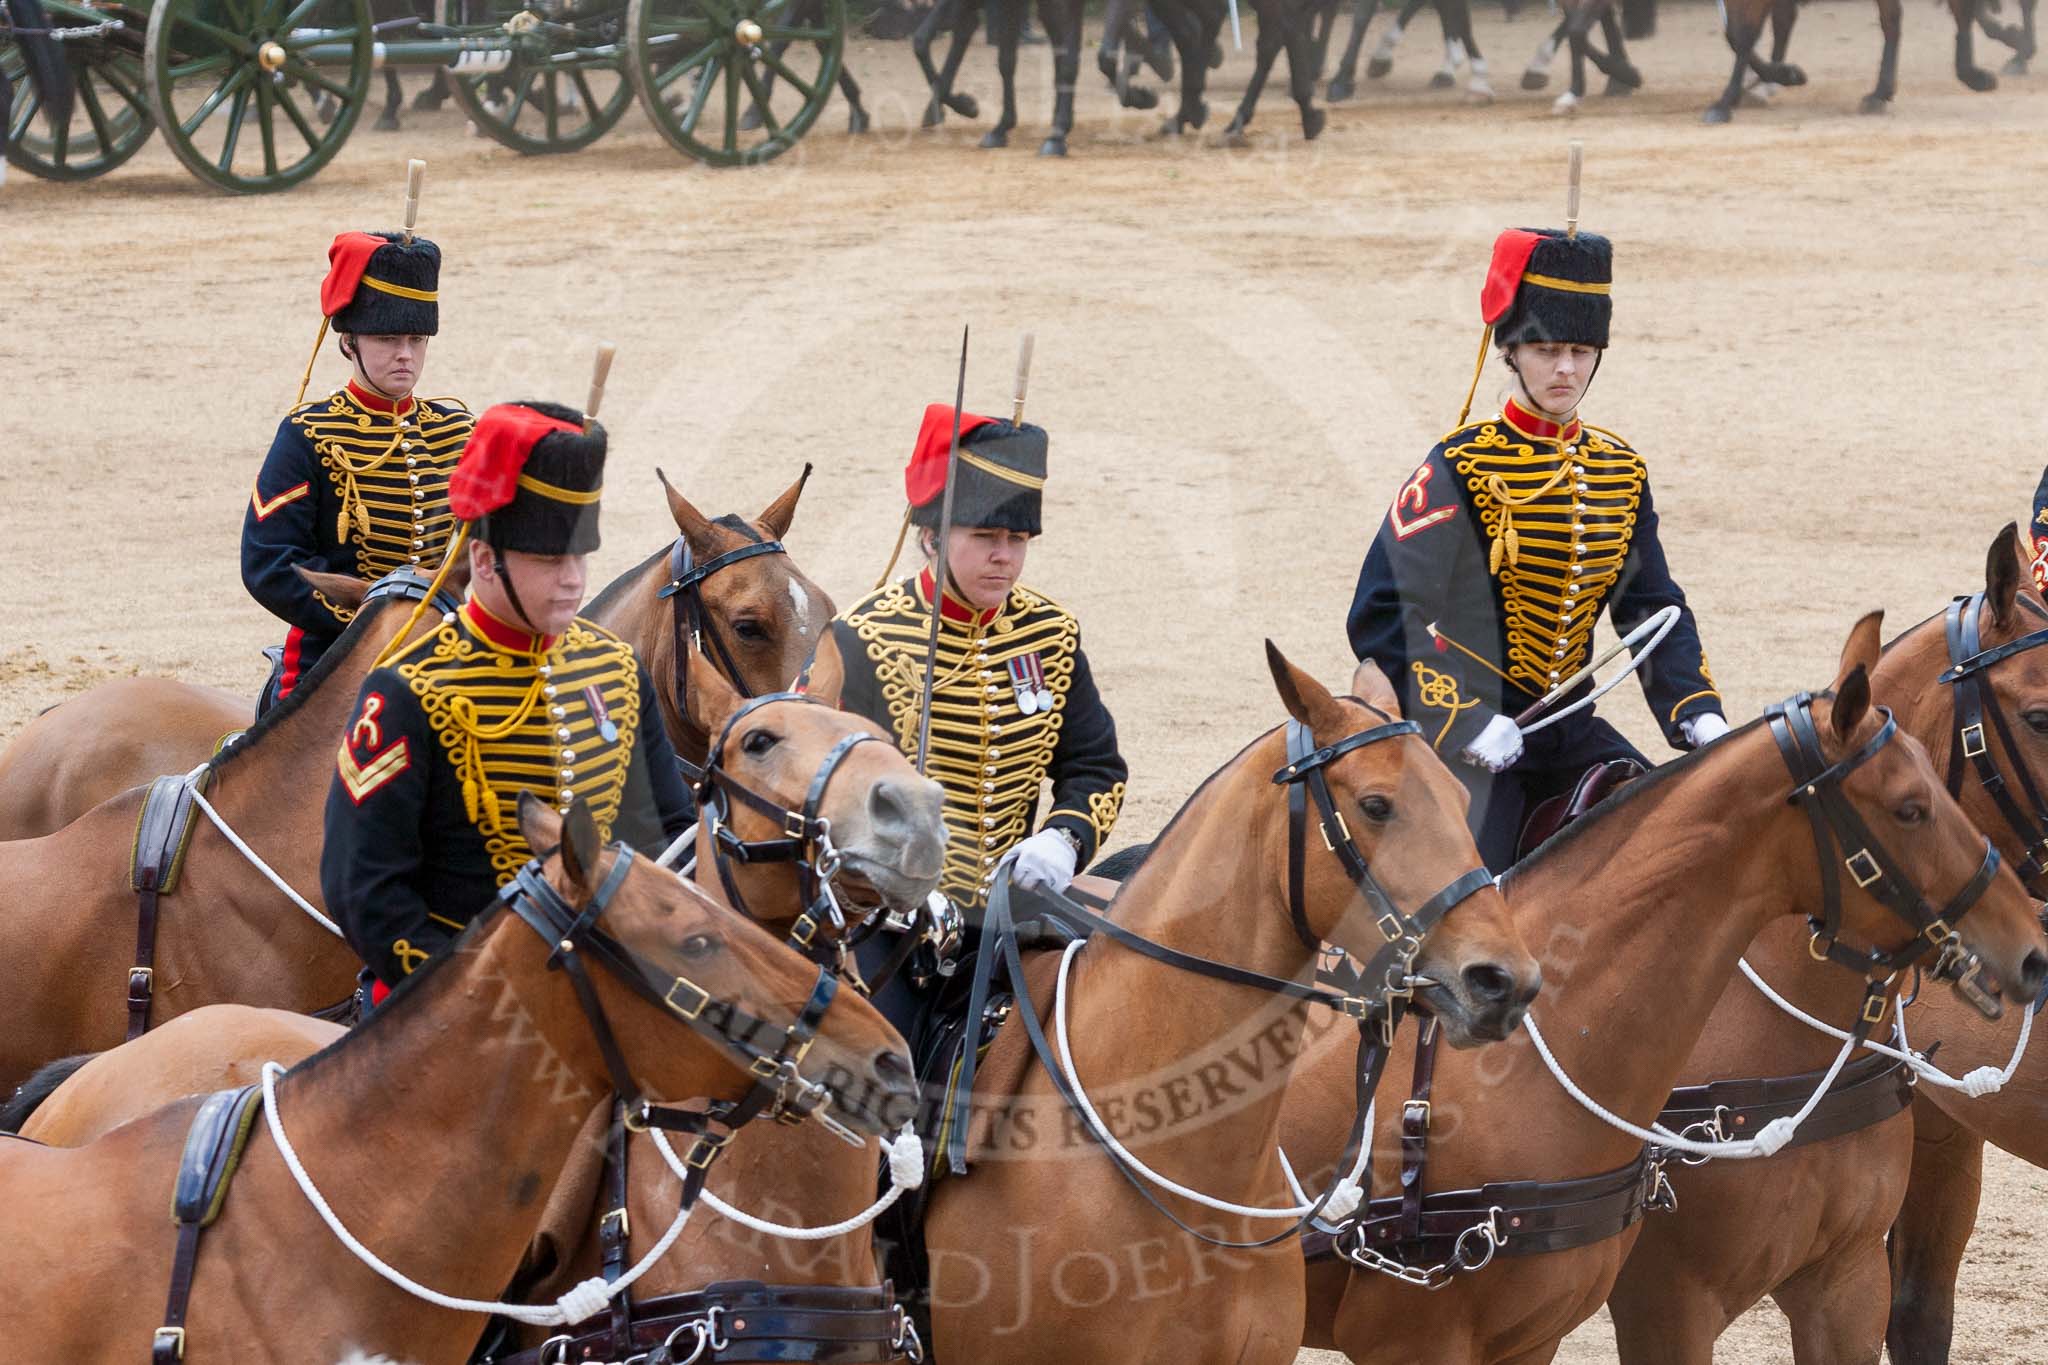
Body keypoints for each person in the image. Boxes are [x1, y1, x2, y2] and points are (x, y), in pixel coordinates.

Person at [1347, 225, 1728, 870]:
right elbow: (1382, 613)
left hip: (1572, 732)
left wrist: (1696, 711)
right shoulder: (1459, 467)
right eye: (1547, 349)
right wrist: (1465, 722)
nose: (1565, 370)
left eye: (1581, 350)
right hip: (1472, 737)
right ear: (1512, 350)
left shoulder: (1620, 470)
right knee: (1467, 910)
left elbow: (1652, 608)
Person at [321, 400, 694, 999]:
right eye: (550, 560)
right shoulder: (404, 692)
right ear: (484, 558)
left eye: (579, 556)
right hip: (453, 1008)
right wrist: (480, 995)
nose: (573, 578)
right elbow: (361, 890)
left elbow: (672, 837)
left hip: (608, 998)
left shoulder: (616, 669)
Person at [802, 403, 1126, 970]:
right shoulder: (859, 638)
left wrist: (1063, 840)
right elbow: (812, 785)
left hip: (1018, 911)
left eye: (1019, 539)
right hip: (889, 922)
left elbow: (1095, 767)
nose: (1004, 556)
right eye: (985, 536)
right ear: (931, 538)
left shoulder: (1051, 635)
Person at [242, 229, 473, 713]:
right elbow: (268, 562)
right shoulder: (310, 433)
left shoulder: (457, 432)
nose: (405, 355)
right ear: (349, 342)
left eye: (416, 339)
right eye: (387, 339)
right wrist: (368, 624)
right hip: (334, 655)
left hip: (441, 651)